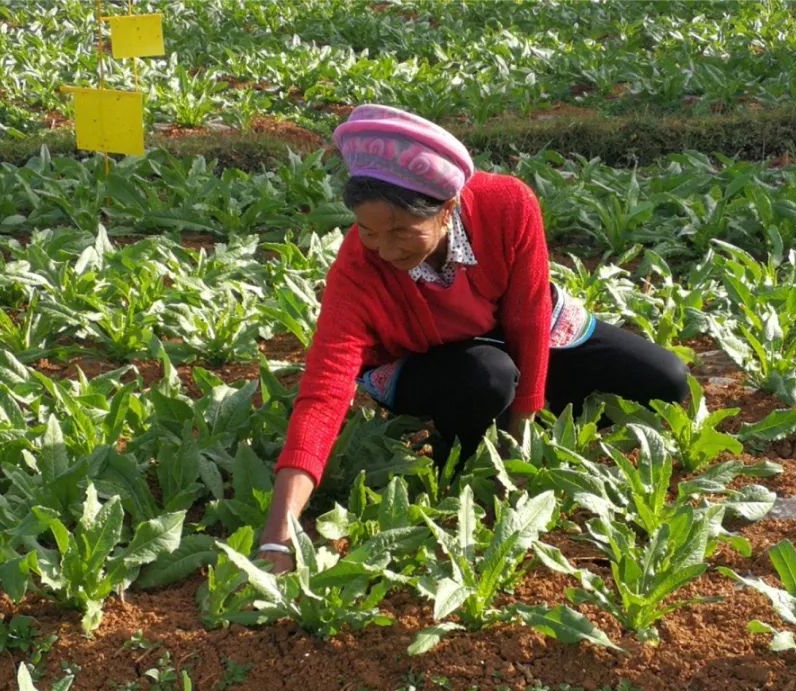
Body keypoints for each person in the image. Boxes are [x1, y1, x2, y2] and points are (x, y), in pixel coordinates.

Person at [257, 105, 689, 573]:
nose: (386, 249)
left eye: (402, 231)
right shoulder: (359, 270)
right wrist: (279, 534)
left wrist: (521, 435)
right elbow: (323, 394)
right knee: (487, 379)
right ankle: (457, 448)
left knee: (665, 380)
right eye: (369, 231)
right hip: (427, 360)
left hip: (508, 333)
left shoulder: (507, 203)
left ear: (448, 210)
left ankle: (513, 418)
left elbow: (527, 316)